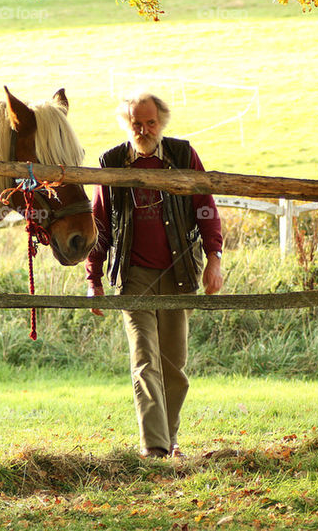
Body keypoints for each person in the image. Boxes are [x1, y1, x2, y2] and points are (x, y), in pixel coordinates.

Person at [85, 92, 224, 459]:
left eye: (150, 123)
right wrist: (93, 278)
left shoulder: (182, 155)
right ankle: (156, 447)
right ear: (126, 124)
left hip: (180, 271)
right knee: (145, 360)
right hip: (133, 275)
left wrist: (214, 257)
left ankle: (170, 437)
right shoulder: (112, 162)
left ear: (161, 122)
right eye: (137, 123)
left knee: (173, 366)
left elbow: (205, 206)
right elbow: (99, 221)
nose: (144, 130)